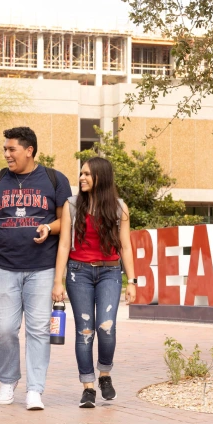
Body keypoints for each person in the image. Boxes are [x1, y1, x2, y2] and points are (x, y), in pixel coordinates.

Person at [0, 127, 71, 410]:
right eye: (5, 149)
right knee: (4, 328)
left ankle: (35, 389)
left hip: (42, 267)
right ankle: (8, 381)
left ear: (29, 150)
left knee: (39, 329)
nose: (6, 154)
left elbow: (63, 222)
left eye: (12, 149)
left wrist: (47, 227)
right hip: (4, 266)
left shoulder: (55, 179)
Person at [52, 157, 137, 408]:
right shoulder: (71, 206)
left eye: (87, 174)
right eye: (81, 173)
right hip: (78, 274)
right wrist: (58, 281)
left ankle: (105, 374)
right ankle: (88, 386)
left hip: (110, 273)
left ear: (101, 176)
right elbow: (64, 245)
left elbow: (125, 247)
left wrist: (131, 281)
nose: (82, 178)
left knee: (106, 328)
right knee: (84, 331)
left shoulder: (120, 208)